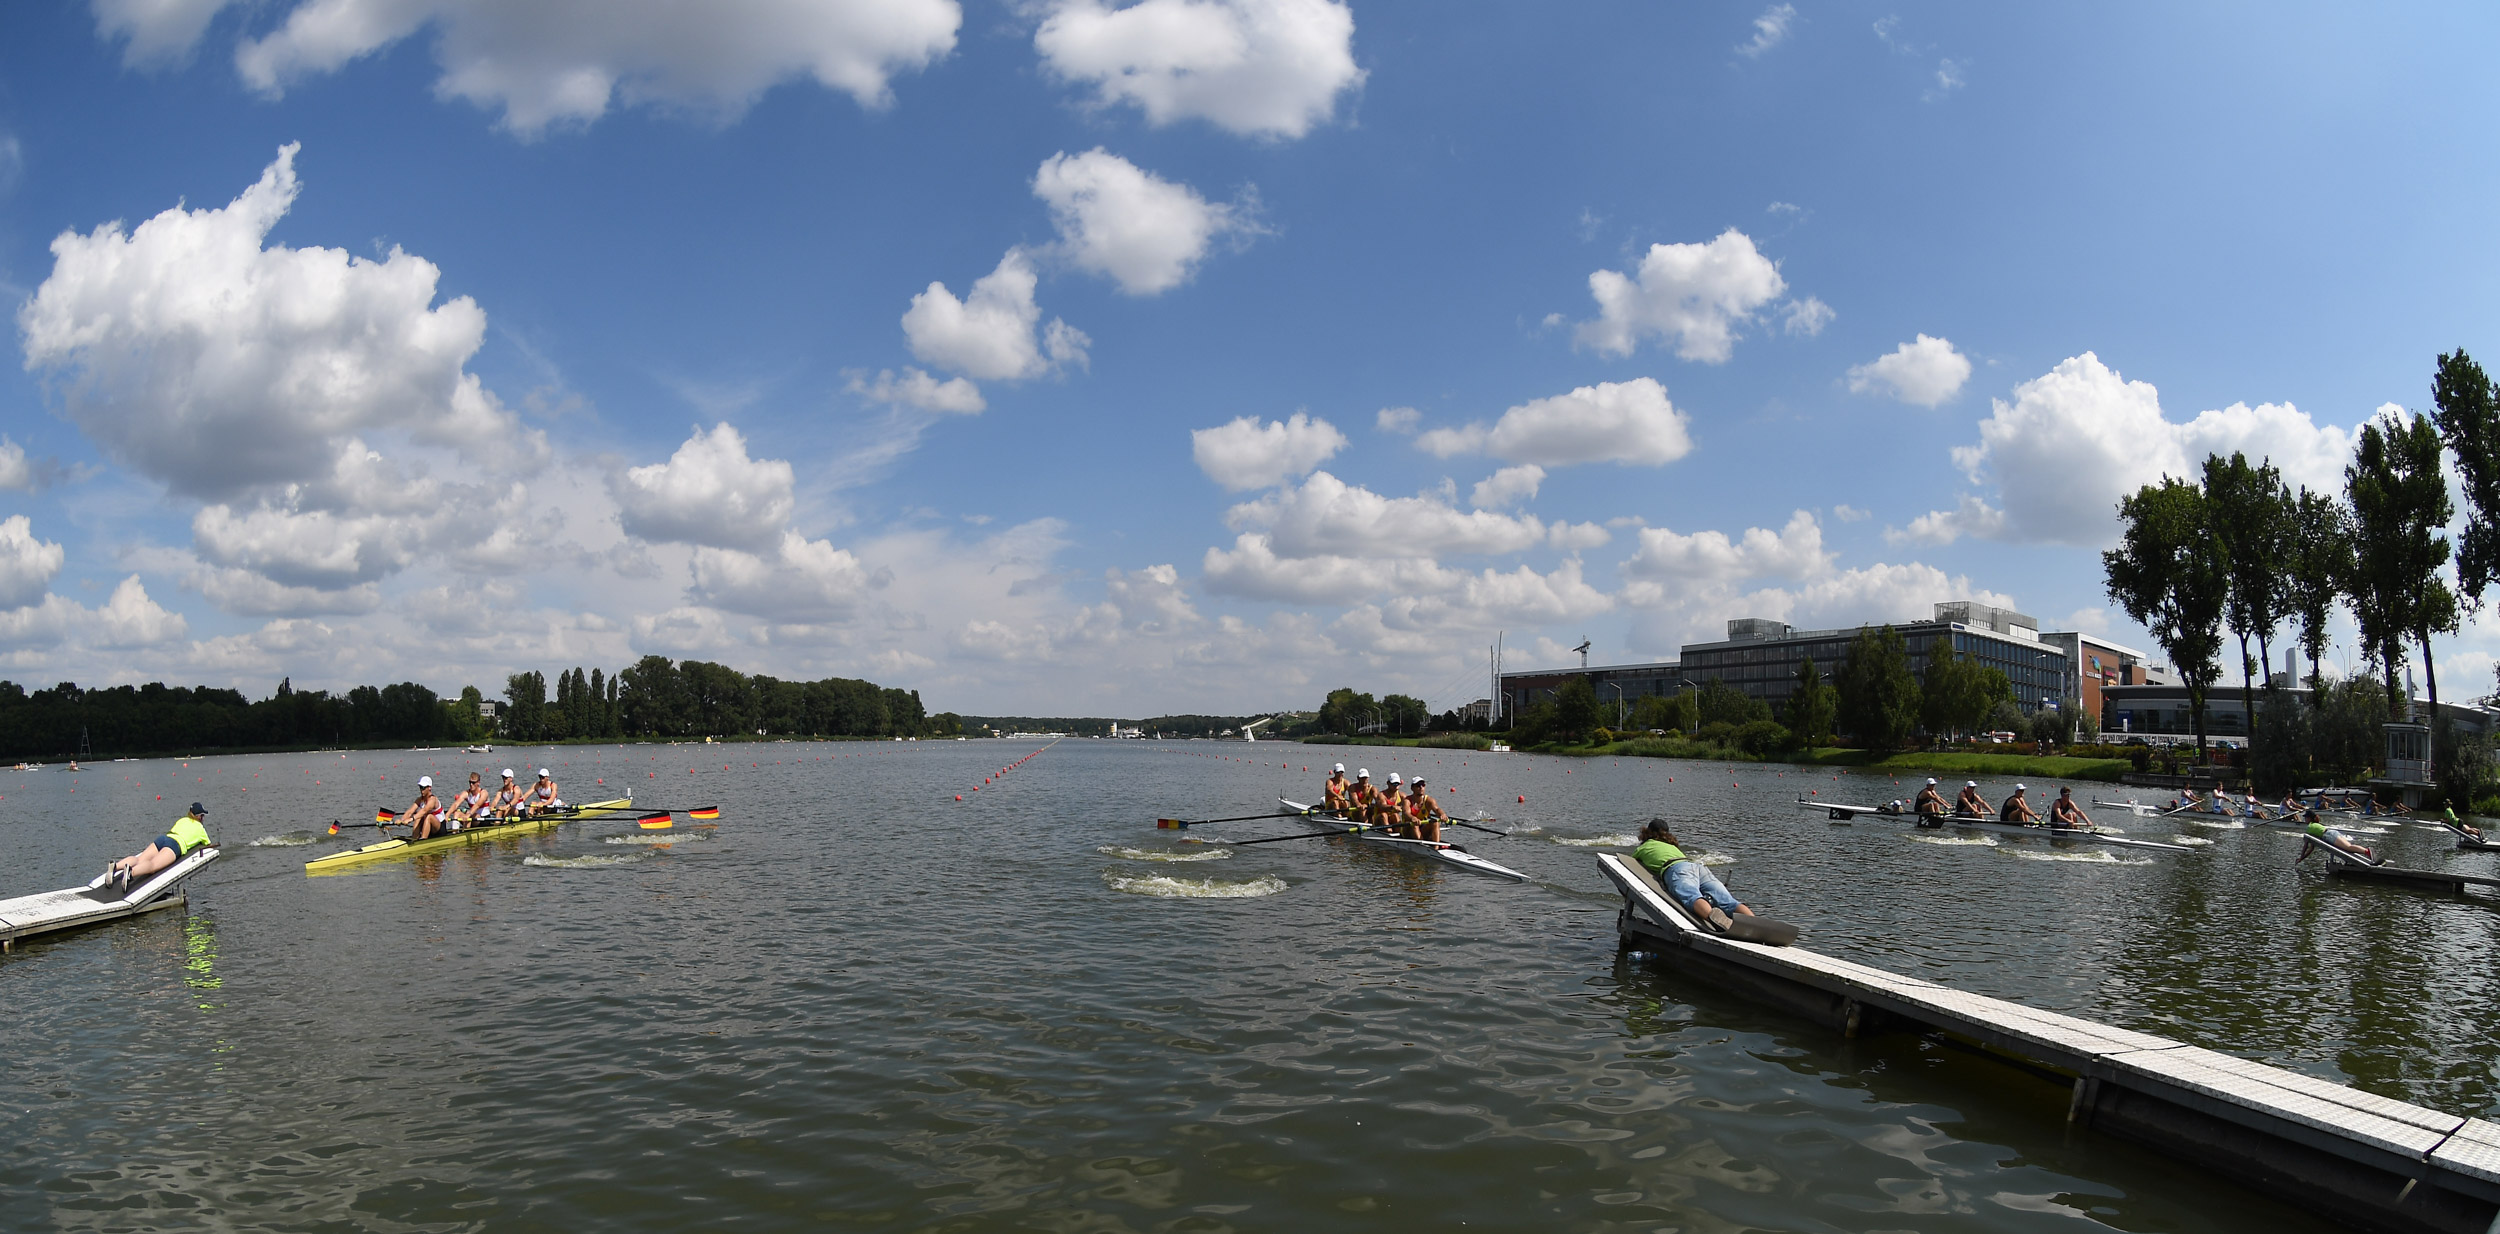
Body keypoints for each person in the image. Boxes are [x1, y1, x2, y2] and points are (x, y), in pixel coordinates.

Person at [1632, 819, 1757, 932]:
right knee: (1728, 901)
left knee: (1692, 896)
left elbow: (1630, 866)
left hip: (1677, 869)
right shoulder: (1672, 846)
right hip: (1697, 867)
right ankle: (1756, 924)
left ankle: (1713, 918)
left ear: (1647, 832)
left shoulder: (1644, 847)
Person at [104, 802, 213, 890]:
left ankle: (116, 866)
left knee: (139, 859)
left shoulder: (182, 820)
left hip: (164, 839)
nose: (203, 818)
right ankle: (131, 873)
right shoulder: (200, 829)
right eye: (202, 816)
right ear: (199, 817)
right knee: (153, 865)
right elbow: (208, 846)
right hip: (175, 845)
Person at [2300, 811, 2376, 864]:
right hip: (2333, 833)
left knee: (2349, 847)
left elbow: (2306, 846)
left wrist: (2301, 858)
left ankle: (2367, 851)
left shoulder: (2309, 827)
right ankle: (2366, 852)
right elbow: (2311, 848)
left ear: (2309, 818)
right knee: (2349, 848)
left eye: (2305, 817)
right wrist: (2302, 858)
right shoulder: (2316, 824)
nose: (2304, 819)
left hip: (2329, 836)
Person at [1406, 777, 1446, 843]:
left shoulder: (1429, 800)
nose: (1421, 787)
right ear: (1412, 788)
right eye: (1418, 785)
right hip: (1408, 829)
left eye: (1423, 785)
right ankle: (1421, 847)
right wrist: (1412, 818)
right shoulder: (1407, 801)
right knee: (1414, 825)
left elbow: (1437, 809)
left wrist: (1442, 814)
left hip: (1422, 828)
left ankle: (1436, 847)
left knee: (1435, 822)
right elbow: (1406, 813)